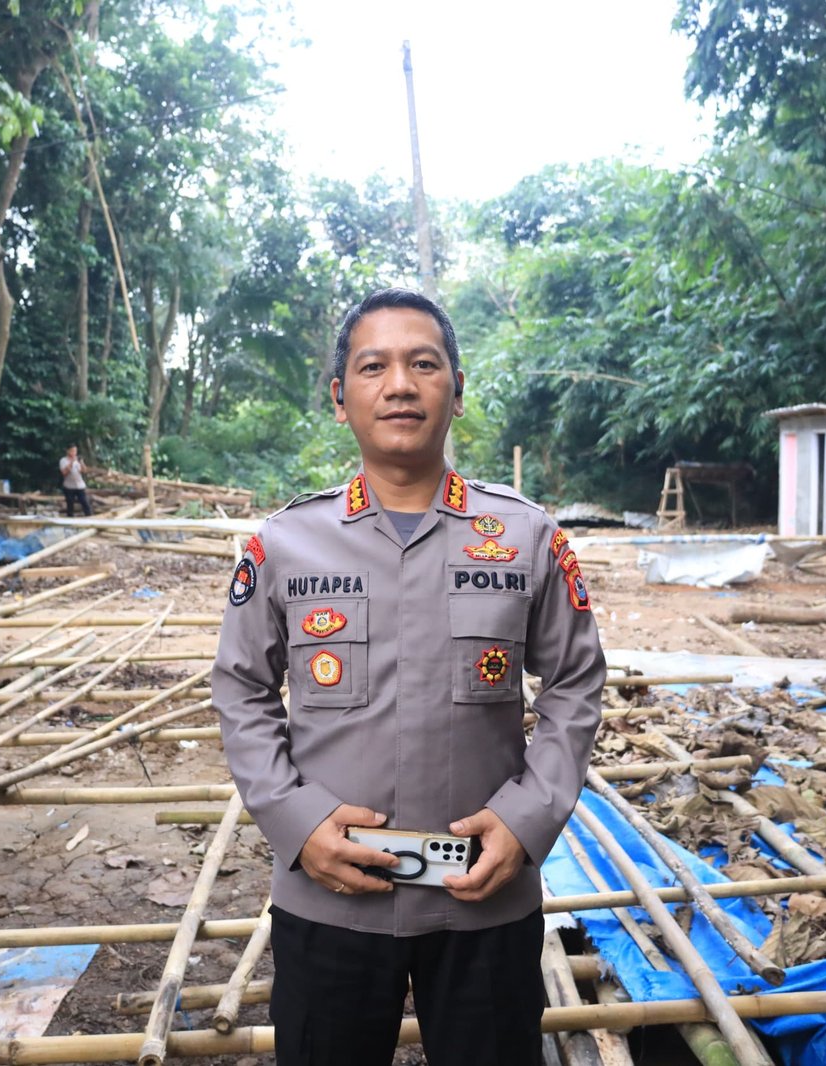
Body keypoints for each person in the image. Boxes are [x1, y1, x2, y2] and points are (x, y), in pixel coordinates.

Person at [213, 288, 606, 1066]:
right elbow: (241, 690)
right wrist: (297, 822)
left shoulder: (524, 537)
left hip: (484, 901)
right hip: (330, 898)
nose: (400, 385)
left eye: (424, 364)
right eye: (374, 367)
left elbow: (575, 683)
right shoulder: (286, 544)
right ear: (340, 399)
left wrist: (527, 820)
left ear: (456, 392)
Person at [58, 445, 92, 517]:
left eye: (75, 451)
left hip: (80, 486)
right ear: (68, 451)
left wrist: (81, 463)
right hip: (69, 487)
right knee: (70, 504)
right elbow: (64, 473)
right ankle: (70, 519)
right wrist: (71, 462)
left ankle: (90, 517)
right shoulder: (63, 460)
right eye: (72, 451)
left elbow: (84, 471)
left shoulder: (78, 461)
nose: (74, 453)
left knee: (84, 502)